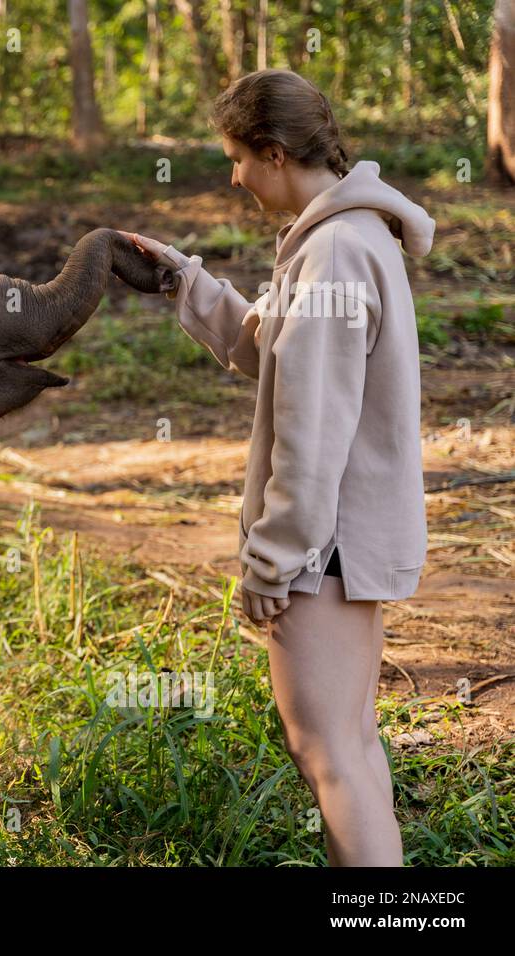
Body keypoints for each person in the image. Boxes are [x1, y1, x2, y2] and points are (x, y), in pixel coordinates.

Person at [124, 69, 435, 866]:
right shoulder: (346, 239)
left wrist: (271, 561)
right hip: (346, 540)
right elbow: (278, 353)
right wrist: (185, 281)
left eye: (236, 158)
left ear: (272, 152)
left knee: (328, 753)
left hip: (322, 545)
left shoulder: (333, 254)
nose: (233, 177)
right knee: (351, 748)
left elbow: (312, 431)